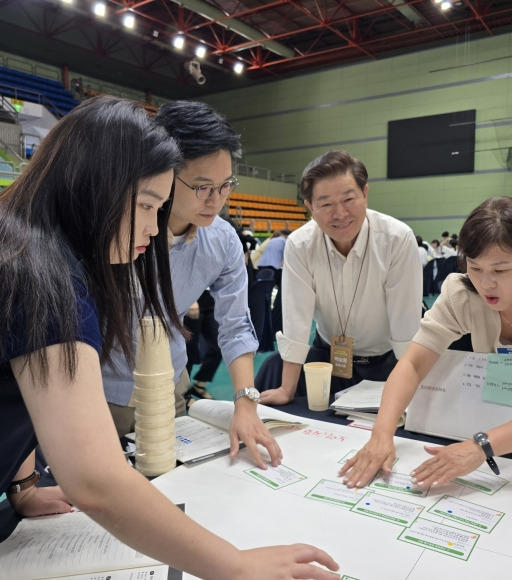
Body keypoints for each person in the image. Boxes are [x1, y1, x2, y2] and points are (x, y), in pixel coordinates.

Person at [0, 96, 339, 579]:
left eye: (158, 208)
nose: (151, 228)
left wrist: (25, 485)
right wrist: (236, 567)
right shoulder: (46, 279)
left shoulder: (25, 244)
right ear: (97, 185)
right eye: (145, 206)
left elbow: (23, 393)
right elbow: (94, 479)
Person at [340, 196, 512, 490]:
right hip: (499, 416)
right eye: (475, 267)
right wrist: (381, 433)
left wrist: (480, 446)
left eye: (501, 270)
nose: (485, 283)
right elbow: (414, 363)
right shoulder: (462, 293)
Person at [102, 100, 282, 469]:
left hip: (171, 390)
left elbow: (235, 325)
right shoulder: (118, 230)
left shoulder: (222, 241)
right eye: (202, 187)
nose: (216, 201)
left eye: (225, 185)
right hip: (101, 394)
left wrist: (245, 402)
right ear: (163, 170)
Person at [256, 150, 422, 404]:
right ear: (310, 207)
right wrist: (286, 389)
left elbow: (405, 327)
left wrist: (413, 394)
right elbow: (296, 321)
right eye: (326, 204)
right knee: (273, 368)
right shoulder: (300, 245)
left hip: (385, 361)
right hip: (326, 358)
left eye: (348, 199)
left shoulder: (396, 239)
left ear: (365, 194)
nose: (340, 214)